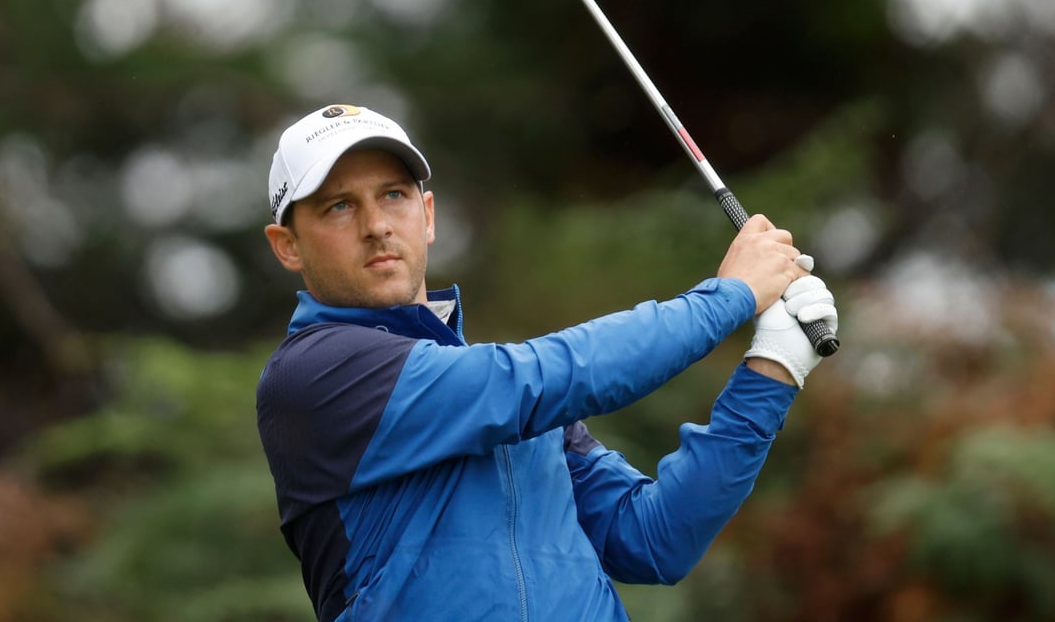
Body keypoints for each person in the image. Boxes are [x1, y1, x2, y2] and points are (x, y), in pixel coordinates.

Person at [256, 103, 838, 622]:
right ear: (288, 245)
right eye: (338, 206)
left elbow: (655, 540)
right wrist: (729, 296)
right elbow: (536, 378)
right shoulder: (314, 373)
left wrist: (773, 367)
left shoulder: (513, 406)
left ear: (427, 215)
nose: (377, 225)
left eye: (393, 195)